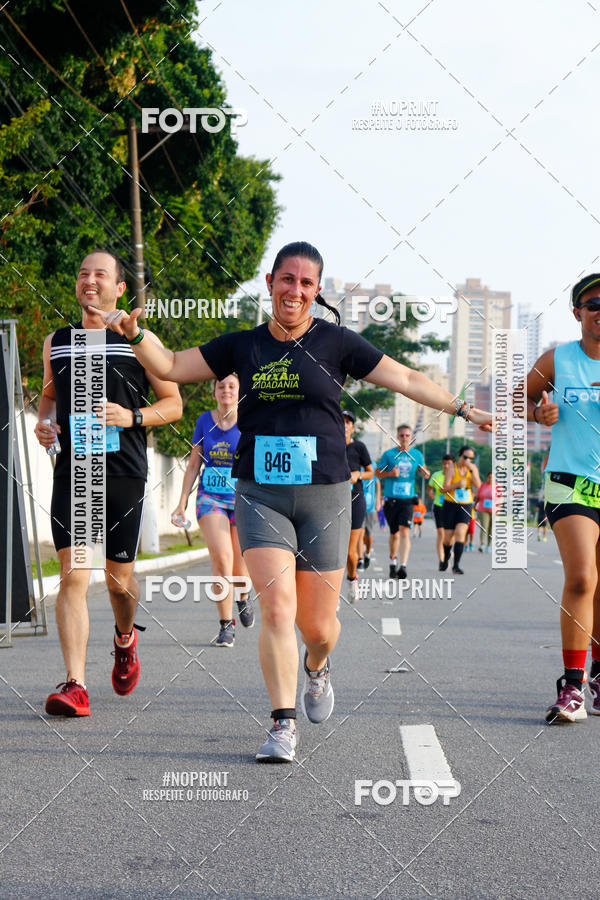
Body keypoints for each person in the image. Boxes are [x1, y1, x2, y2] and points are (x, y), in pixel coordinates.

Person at [96, 240, 492, 761]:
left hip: (326, 494)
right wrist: (135, 333)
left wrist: (464, 409)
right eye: (287, 280)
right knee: (277, 608)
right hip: (260, 494)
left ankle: (318, 667)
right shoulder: (241, 346)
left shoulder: (337, 343)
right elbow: (168, 365)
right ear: (270, 283)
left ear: (317, 291)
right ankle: (282, 724)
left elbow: (409, 378)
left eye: (306, 283)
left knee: (319, 627)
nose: (295, 291)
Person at [35, 250, 182, 717]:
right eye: (82, 273)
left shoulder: (138, 340)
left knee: (120, 584)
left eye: (101, 274)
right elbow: (48, 396)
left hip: (123, 470)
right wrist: (43, 423)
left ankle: (124, 638)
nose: (89, 281)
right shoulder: (56, 341)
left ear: (120, 288)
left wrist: (132, 415)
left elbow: (174, 403)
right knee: (75, 576)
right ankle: (75, 685)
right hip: (75, 471)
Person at [527, 273, 600, 723]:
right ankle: (572, 686)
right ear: (578, 312)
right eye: (595, 304)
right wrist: (539, 412)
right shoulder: (558, 359)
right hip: (571, 482)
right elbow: (521, 396)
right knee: (581, 578)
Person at [171, 375, 254, 647]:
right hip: (211, 498)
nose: (226, 391)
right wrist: (182, 501)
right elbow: (194, 465)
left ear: (239, 392)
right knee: (222, 559)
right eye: (221, 386)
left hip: (244, 498)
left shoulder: (250, 419)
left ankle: (242, 595)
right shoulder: (204, 421)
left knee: (241, 566)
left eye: (232, 386)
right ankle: (225, 625)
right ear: (214, 392)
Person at [375, 425, 431, 580]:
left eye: (407, 435)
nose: (405, 438)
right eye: (402, 435)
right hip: (392, 500)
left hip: (407, 499)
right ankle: (393, 561)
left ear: (411, 437)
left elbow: (424, 471)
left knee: (405, 531)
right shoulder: (389, 455)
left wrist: (425, 473)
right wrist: (390, 473)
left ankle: (403, 566)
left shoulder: (416, 455)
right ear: (397, 437)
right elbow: (377, 473)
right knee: (394, 534)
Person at [342, 411, 373, 603]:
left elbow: (371, 472)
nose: (344, 425)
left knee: (350, 553)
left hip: (355, 499)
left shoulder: (359, 447)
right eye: (341, 421)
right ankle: (332, 595)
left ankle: (352, 579)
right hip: (331, 502)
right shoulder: (329, 445)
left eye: (348, 422)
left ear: (353, 427)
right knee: (331, 553)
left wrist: (358, 475)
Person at [441, 445, 481, 574]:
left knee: (460, 533)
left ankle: (456, 565)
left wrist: (472, 471)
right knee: (448, 538)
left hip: (465, 504)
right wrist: (456, 484)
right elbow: (444, 488)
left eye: (471, 458)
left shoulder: (473, 468)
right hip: (450, 504)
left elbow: (478, 485)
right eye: (465, 457)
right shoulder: (452, 467)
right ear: (460, 456)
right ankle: (446, 557)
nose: (468, 460)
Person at [428, 454, 454, 569]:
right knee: (441, 533)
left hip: (452, 507)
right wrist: (430, 493)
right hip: (439, 506)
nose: (446, 466)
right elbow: (429, 487)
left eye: (449, 464)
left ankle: (447, 552)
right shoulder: (436, 475)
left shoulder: (455, 477)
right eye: (444, 464)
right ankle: (441, 559)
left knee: (450, 535)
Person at [358, 473, 381, 570]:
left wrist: (378, 501)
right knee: (360, 532)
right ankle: (360, 559)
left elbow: (378, 483)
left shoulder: (372, 465)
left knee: (369, 534)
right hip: (358, 504)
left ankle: (367, 553)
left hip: (371, 507)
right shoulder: (354, 464)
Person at [475, 472, 494, 552]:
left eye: (492, 477)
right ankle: (482, 544)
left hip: (494, 510)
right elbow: (478, 497)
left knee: (491, 528)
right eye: (489, 477)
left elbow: (501, 498)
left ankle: (488, 545)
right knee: (484, 527)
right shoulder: (483, 485)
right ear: (487, 477)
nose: (490, 479)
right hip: (483, 510)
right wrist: (474, 506)